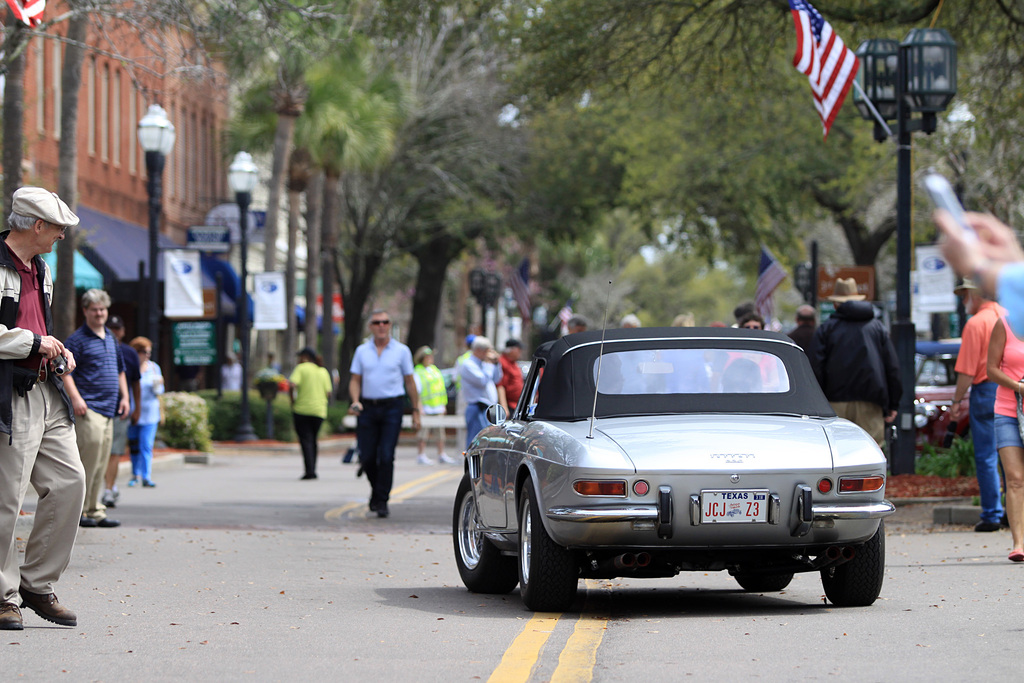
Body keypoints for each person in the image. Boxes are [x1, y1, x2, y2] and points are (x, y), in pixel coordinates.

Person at [0, 187, 84, 631]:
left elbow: (40, 326)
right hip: (10, 394)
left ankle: (36, 585)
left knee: (71, 483)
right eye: (57, 228)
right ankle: (2, 595)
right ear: (36, 226)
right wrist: (32, 343)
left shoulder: (41, 269)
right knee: (6, 500)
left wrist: (56, 350)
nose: (61, 236)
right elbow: (22, 333)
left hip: (45, 389)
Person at [63, 289, 130, 529]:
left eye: (102, 309)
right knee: (86, 463)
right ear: (85, 311)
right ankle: (79, 512)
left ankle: (95, 510)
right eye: (94, 309)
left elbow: (121, 369)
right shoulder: (77, 340)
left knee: (101, 462)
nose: (99, 313)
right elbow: (65, 372)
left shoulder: (111, 337)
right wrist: (77, 398)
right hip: (89, 408)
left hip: (110, 409)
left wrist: (125, 398)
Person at [810, 278, 901, 447]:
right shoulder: (877, 328)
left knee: (838, 450)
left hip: (834, 403)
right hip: (871, 401)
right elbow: (892, 367)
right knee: (871, 450)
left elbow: (816, 368)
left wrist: (817, 403)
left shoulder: (826, 329)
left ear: (836, 304)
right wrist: (893, 403)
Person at [348, 310, 421, 518]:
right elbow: (355, 379)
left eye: (385, 322)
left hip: (392, 407)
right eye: (377, 322)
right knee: (368, 456)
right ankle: (376, 492)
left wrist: (415, 411)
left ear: (390, 325)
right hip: (368, 407)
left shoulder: (401, 351)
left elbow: (409, 381)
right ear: (371, 326)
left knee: (386, 455)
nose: (381, 325)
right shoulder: (362, 351)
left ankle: (382, 500)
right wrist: (355, 401)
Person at [949, 279, 1006, 532]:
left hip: (985, 391)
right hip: (1012, 389)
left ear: (975, 294)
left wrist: (957, 401)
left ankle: (992, 513)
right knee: (1011, 454)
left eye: (964, 296)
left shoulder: (975, 323)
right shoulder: (1008, 316)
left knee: (986, 456)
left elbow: (966, 371)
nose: (963, 302)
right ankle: (1014, 510)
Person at [985, 311, 1024, 562]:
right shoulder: (1005, 324)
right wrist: (1018, 386)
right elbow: (991, 369)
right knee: (1015, 478)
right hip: (1008, 411)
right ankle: (1019, 542)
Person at [102, 316, 140, 508]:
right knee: (96, 451)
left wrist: (135, 406)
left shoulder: (129, 353)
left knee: (115, 451)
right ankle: (94, 492)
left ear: (123, 331)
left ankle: (109, 489)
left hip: (119, 409)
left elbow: (134, 382)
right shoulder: (97, 346)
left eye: (118, 328)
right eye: (111, 328)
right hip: (95, 408)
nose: (115, 331)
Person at [290, 347, 333, 480]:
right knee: (313, 439)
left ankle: (310, 470)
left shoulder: (301, 368)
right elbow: (329, 392)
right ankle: (312, 468)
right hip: (319, 411)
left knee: (305, 440)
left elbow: (292, 385)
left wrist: (292, 400)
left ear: (305, 357)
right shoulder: (323, 371)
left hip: (302, 409)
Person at [126, 336, 163, 488]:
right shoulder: (130, 367)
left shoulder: (154, 367)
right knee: (134, 445)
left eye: (148, 352)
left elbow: (160, 390)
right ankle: (135, 474)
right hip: (133, 413)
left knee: (146, 445)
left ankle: (146, 476)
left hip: (150, 414)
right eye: (143, 352)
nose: (147, 355)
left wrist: (158, 386)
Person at [459, 336, 502, 449]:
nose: (489, 354)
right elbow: (482, 381)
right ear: (478, 350)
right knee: (476, 440)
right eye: (487, 351)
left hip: (488, 407)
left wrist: (496, 364)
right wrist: (489, 364)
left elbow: (497, 379)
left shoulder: (484, 364)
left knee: (488, 440)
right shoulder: (468, 364)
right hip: (477, 406)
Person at [412, 346, 454, 465]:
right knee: (423, 433)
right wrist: (419, 407)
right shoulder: (418, 371)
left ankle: (441, 454)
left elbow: (440, 388)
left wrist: (443, 405)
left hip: (437, 406)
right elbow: (417, 392)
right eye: (428, 356)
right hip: (425, 407)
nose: (431, 358)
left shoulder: (434, 370)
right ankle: (421, 454)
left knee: (440, 432)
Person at [497, 339, 524, 413]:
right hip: (509, 406)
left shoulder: (513, 363)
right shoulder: (503, 363)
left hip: (516, 405)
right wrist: (504, 407)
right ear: (512, 350)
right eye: (519, 349)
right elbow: (500, 386)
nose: (520, 351)